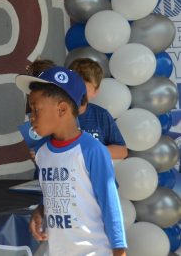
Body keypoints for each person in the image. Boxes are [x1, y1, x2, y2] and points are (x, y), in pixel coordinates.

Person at [15, 66, 127, 256]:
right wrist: (42, 210)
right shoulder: (42, 152)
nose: (31, 117)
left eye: (36, 109)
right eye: (30, 109)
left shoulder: (92, 150)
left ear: (62, 109)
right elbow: (58, 192)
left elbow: (110, 205)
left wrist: (119, 251)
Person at [68, 58, 127, 160]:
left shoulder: (101, 115)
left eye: (84, 90)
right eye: (74, 87)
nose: (78, 93)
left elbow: (122, 151)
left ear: (96, 91)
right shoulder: (54, 112)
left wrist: (92, 151)